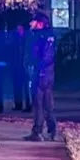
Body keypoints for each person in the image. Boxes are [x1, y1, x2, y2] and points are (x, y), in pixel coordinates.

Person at [23, 13, 57, 142]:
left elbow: (39, 55)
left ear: (40, 23)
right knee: (48, 104)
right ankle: (51, 130)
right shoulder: (50, 35)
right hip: (49, 73)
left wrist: (37, 69)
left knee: (38, 104)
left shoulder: (39, 36)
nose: (31, 24)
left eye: (33, 22)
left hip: (41, 73)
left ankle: (37, 131)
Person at [10, 23, 31, 111]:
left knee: (26, 87)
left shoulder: (27, 39)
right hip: (17, 65)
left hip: (24, 65)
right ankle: (18, 104)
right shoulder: (16, 39)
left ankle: (28, 105)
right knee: (17, 86)